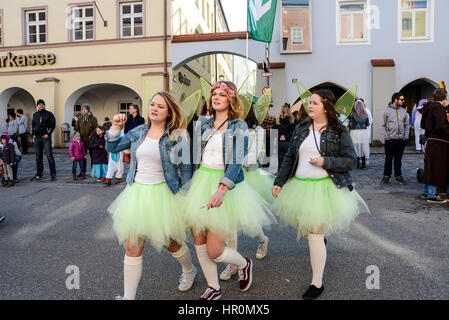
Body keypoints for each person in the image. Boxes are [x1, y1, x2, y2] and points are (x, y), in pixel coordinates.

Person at [272, 89, 370, 300]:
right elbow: (290, 156)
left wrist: (326, 161)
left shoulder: (338, 131)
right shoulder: (301, 127)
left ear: (326, 106)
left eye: (315, 103)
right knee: (309, 231)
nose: (310, 106)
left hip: (324, 188)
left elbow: (350, 161)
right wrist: (279, 181)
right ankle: (319, 245)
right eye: (310, 103)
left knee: (315, 235)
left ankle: (317, 283)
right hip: (299, 187)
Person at [183, 81, 275, 300]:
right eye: (214, 93)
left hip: (224, 184)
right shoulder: (203, 125)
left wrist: (221, 190)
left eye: (222, 94)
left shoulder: (239, 126)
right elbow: (192, 158)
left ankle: (244, 263)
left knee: (215, 250)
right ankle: (213, 287)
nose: (216, 97)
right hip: (200, 182)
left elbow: (236, 162)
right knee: (198, 238)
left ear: (231, 100)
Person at [106, 91, 196, 300]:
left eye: (160, 106)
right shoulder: (138, 131)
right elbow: (112, 147)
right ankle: (128, 298)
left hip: (163, 195)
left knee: (169, 242)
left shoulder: (177, 136)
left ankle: (189, 270)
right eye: (153, 104)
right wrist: (116, 128)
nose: (154, 108)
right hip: (136, 193)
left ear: (170, 112)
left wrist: (187, 196)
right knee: (133, 246)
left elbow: (187, 169)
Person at [219, 106, 272, 282]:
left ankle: (263, 239)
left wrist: (236, 161)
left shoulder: (257, 130)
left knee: (250, 218)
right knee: (230, 221)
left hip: (249, 175)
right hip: (229, 175)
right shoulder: (228, 126)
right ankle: (233, 262)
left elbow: (255, 153)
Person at [419, 89, 449, 204]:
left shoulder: (428, 106)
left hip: (430, 139)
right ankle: (431, 195)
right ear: (444, 97)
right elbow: (442, 125)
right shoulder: (438, 108)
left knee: (429, 166)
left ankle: (425, 192)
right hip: (438, 141)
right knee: (435, 168)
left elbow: (423, 124)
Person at [380, 92, 409, 185]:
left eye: (403, 99)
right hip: (390, 139)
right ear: (395, 100)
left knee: (398, 159)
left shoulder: (404, 111)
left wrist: (405, 136)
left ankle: (398, 176)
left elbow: (407, 125)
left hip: (401, 139)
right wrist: (386, 136)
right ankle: (386, 176)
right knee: (388, 158)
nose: (403, 101)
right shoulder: (386, 111)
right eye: (401, 99)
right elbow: (382, 125)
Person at [31, 99, 57, 181]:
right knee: (38, 157)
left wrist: (48, 134)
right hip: (37, 138)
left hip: (46, 138)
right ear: (37, 106)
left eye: (42, 104)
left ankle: (53, 173)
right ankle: (39, 173)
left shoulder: (49, 114)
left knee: (49, 156)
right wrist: (33, 134)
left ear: (44, 105)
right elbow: (33, 125)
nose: (40, 105)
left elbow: (53, 125)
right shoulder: (35, 114)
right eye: (39, 104)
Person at [273, 103, 298, 174]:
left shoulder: (277, 120)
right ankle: (287, 174)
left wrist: (279, 136)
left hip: (279, 143)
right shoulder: (293, 120)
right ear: (289, 110)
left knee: (280, 159)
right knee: (288, 160)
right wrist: (286, 136)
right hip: (288, 142)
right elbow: (295, 132)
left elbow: (273, 132)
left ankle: (279, 173)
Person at [75, 104, 98, 173]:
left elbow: (96, 128)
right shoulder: (80, 119)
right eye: (82, 109)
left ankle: (94, 171)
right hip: (82, 141)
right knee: (82, 157)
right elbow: (77, 129)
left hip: (91, 140)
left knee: (92, 156)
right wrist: (75, 125)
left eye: (85, 109)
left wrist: (90, 136)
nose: (83, 110)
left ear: (88, 110)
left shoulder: (93, 118)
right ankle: (82, 171)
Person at [349, 100, 370, 169]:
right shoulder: (365, 114)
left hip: (355, 132)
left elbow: (351, 125)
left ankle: (357, 164)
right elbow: (367, 124)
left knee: (356, 148)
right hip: (363, 133)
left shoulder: (352, 115)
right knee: (363, 147)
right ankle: (363, 164)